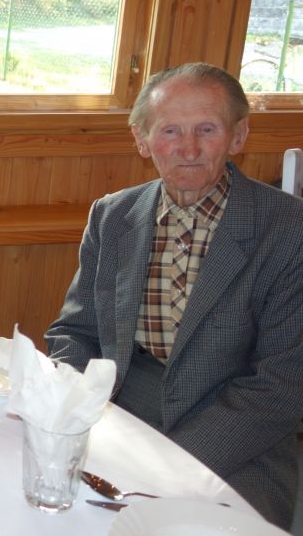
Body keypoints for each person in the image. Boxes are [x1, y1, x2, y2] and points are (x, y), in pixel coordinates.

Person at [45, 62, 303, 527]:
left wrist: (167, 463)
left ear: (238, 135)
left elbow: (282, 386)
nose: (188, 148)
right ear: (142, 140)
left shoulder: (288, 230)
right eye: (170, 131)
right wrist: (74, 414)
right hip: (119, 415)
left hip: (240, 439)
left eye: (207, 129)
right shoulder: (113, 215)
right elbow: (75, 332)